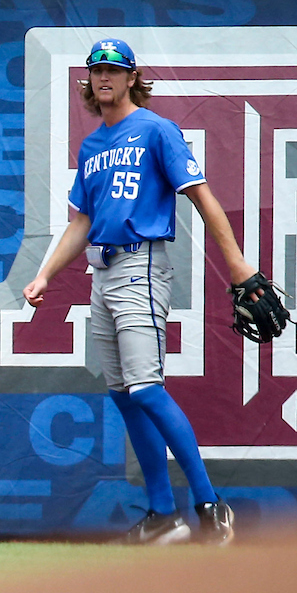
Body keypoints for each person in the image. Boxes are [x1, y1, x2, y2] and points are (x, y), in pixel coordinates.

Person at [23, 38, 246, 546]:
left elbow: (201, 196)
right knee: (124, 396)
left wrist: (235, 263)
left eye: (114, 70)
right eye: (97, 70)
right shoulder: (93, 145)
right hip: (102, 273)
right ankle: (164, 515)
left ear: (131, 79)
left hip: (140, 266)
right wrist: (45, 276)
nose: (104, 77)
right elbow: (81, 222)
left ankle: (211, 505)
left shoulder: (156, 129)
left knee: (146, 387)